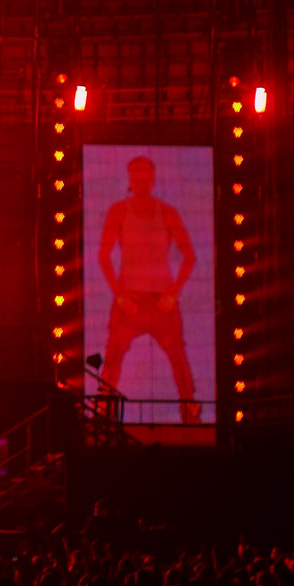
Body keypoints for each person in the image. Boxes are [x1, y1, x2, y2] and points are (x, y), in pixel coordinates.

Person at [96, 154, 200, 422]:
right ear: (130, 180)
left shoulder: (168, 213)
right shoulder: (118, 212)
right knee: (112, 358)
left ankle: (190, 412)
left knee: (178, 357)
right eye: (137, 178)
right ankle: (103, 414)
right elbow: (103, 256)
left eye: (146, 178)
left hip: (162, 302)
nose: (141, 183)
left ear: (153, 180)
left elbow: (189, 256)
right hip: (129, 302)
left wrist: (173, 293)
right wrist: (120, 295)